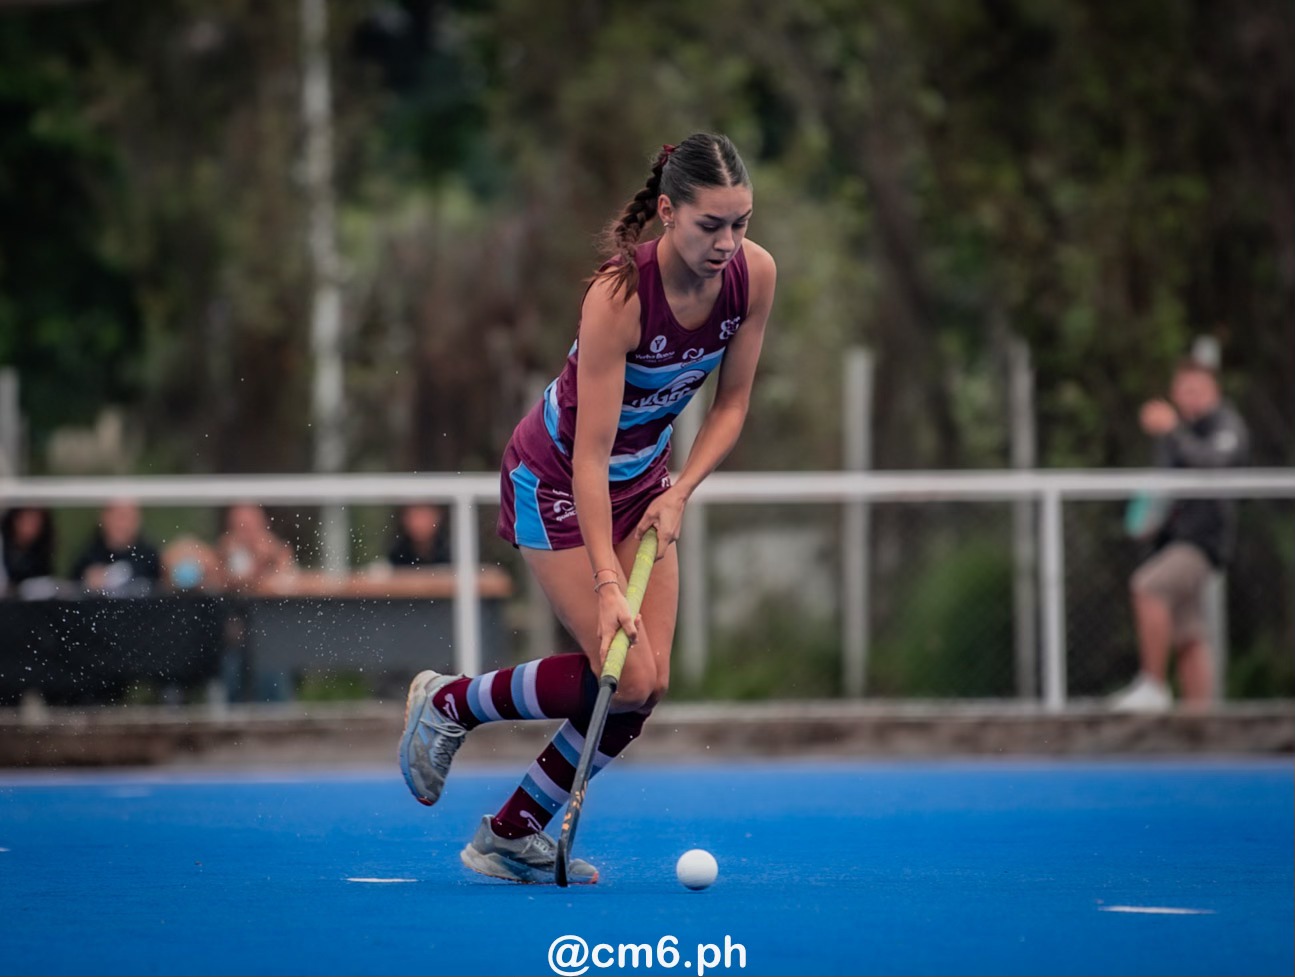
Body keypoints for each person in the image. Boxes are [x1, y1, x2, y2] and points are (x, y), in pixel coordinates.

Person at [398, 133, 776, 884]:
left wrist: (679, 491)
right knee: (624, 677)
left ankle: (509, 836)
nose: (727, 244)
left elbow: (732, 405)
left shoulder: (752, 276)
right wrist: (607, 583)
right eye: (710, 225)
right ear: (667, 212)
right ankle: (450, 702)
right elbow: (589, 458)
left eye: (740, 223)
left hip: (644, 484)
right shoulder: (618, 297)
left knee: (646, 686)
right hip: (556, 481)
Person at [1109, 357, 1249, 713]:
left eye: (1197, 389)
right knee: (1189, 633)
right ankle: (1200, 719)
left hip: (1202, 543)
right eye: (1184, 390)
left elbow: (1213, 463)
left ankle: (1154, 685)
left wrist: (1172, 430)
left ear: (1214, 390)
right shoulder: (1179, 433)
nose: (1190, 397)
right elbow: (1164, 488)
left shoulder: (1225, 425)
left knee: (1148, 587)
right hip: (1173, 541)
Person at [71, 499, 162, 596]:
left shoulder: (150, 558)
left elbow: (163, 590)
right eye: (118, 516)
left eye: (128, 517)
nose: (123, 524)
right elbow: (71, 592)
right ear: (104, 517)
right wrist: (86, 585)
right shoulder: (88, 557)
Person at [215, 502, 296, 592]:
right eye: (240, 526)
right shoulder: (228, 550)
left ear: (262, 524)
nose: (246, 534)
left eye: (249, 525)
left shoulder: (275, 548)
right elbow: (230, 582)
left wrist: (275, 557)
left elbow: (288, 582)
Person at [1, 506, 60, 599]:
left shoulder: (42, 549)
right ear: (15, 520)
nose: (31, 526)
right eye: (27, 520)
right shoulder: (4, 544)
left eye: (36, 522)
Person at [387, 503, 451, 568]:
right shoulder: (397, 552)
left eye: (425, 516)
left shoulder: (450, 550)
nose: (419, 523)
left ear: (439, 517)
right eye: (413, 516)